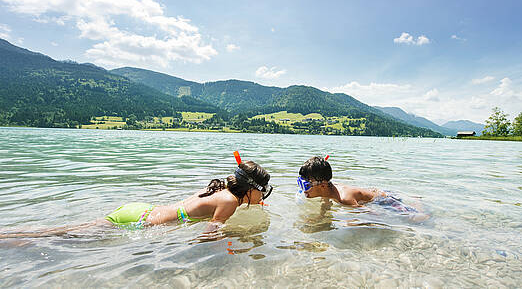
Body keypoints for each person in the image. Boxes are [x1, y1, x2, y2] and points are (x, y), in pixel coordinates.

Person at [1, 160, 273, 238]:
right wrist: (236, 241)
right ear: (250, 189)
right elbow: (209, 233)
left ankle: (17, 235)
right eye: (262, 190)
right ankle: (14, 238)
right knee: (58, 235)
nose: (263, 196)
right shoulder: (229, 202)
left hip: (141, 209)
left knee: (70, 230)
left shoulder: (221, 191)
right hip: (143, 223)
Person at [297, 156, 429, 222]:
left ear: (323, 185)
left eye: (306, 186)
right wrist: (321, 217)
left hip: (383, 200)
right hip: (375, 192)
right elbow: (326, 203)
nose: (304, 191)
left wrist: (353, 222)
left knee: (418, 218)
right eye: (300, 184)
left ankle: (418, 202)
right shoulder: (326, 189)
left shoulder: (345, 199)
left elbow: (374, 214)